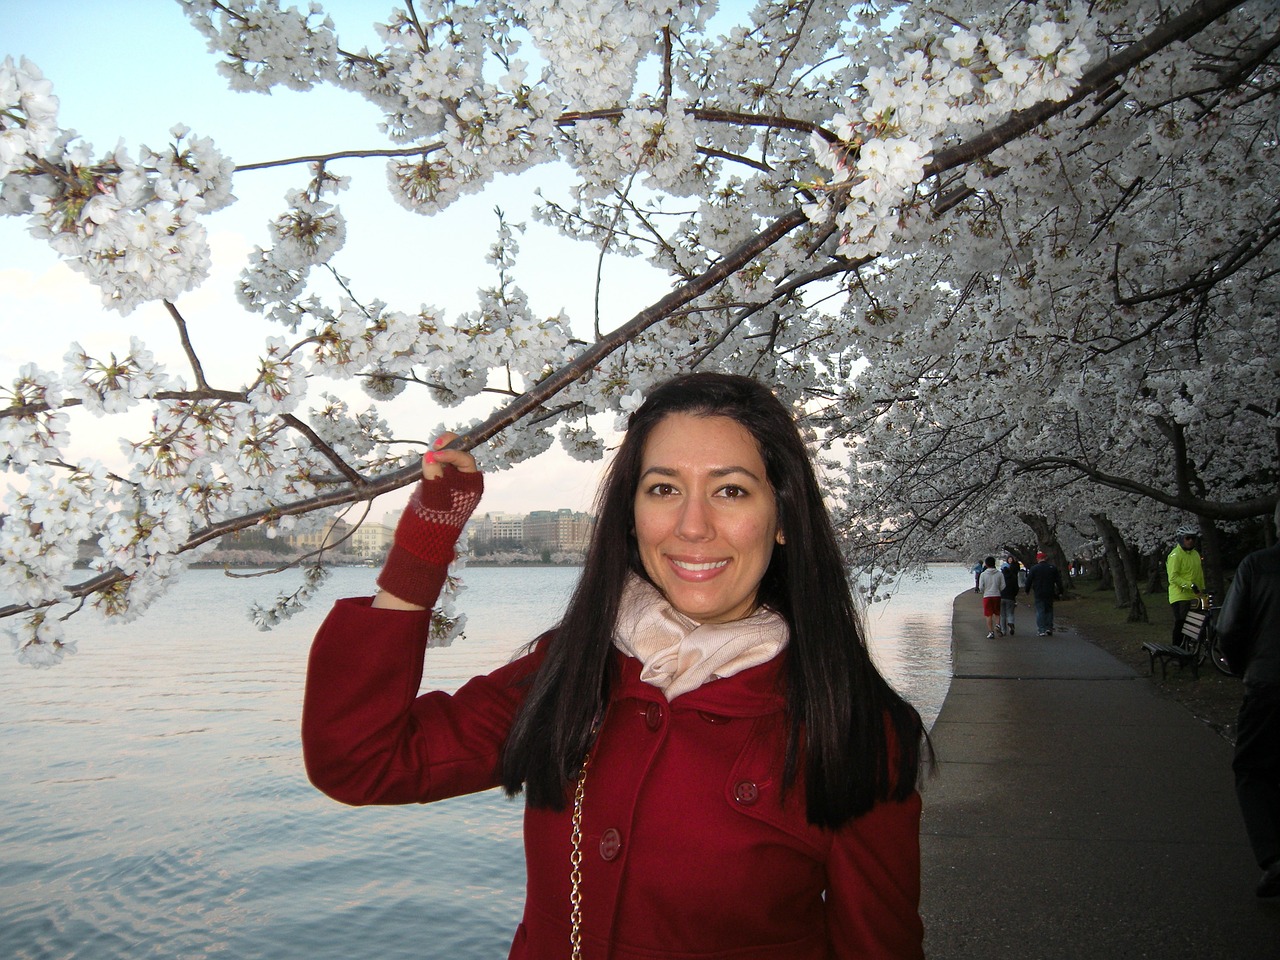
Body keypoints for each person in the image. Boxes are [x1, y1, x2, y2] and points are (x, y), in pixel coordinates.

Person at [302, 372, 928, 959]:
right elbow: (360, 763)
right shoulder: (571, 673)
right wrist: (423, 546)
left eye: (730, 490)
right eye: (663, 489)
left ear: (784, 517)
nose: (692, 526)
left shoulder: (852, 726)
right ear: (631, 515)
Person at [1216, 502, 1280, 900]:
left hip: (1269, 683)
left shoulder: (1257, 565)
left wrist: (1244, 668)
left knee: (1253, 769)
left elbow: (1230, 628)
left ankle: (1274, 857)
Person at [1166, 524, 1206, 646]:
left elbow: (1199, 574)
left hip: (1194, 595)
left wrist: (1202, 590)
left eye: (1193, 538)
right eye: (1187, 538)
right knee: (1181, 623)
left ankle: (1192, 647)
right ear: (1181, 538)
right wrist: (1190, 585)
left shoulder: (1195, 554)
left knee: (1197, 621)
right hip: (1180, 595)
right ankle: (1176, 650)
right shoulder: (1175, 555)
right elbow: (1173, 577)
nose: (1190, 541)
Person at [1024, 551, 1061, 636]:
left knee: (1040, 610)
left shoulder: (1034, 568)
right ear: (1045, 558)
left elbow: (1029, 580)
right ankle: (1049, 627)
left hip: (1039, 592)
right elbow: (1058, 581)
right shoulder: (1052, 568)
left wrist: (1027, 590)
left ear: (1038, 559)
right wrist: (1060, 591)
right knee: (1049, 610)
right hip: (1049, 591)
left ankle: (1041, 629)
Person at [978, 555, 1004, 638]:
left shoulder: (983, 574)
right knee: (997, 613)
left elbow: (981, 587)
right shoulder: (999, 574)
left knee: (988, 615)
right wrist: (998, 590)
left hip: (987, 596)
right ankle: (997, 625)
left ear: (986, 564)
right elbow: (1003, 585)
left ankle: (991, 632)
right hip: (997, 595)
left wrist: (984, 591)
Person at [999, 554, 1021, 636]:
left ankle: (1003, 631)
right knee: (1010, 613)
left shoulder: (1000, 577)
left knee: (1002, 615)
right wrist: (1014, 595)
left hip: (1001, 597)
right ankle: (1011, 623)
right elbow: (1016, 588)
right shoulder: (1013, 577)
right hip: (1010, 597)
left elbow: (998, 587)